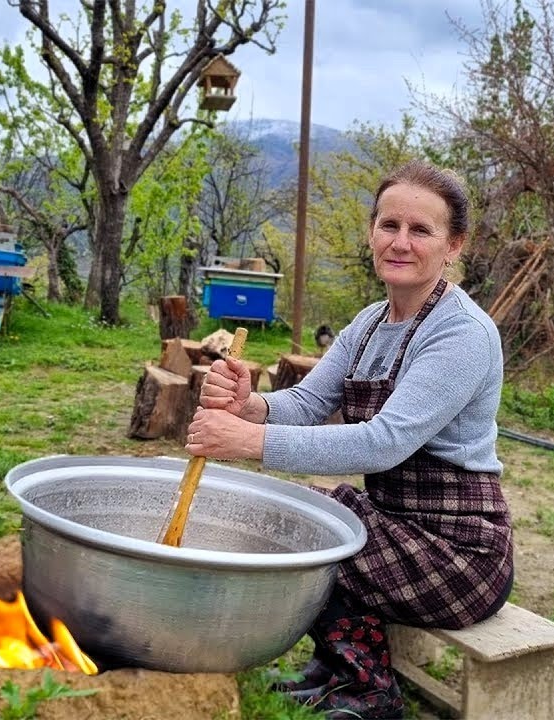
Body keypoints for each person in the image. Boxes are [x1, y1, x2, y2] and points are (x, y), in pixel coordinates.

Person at [186, 160, 513, 719]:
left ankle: (370, 692)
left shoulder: (462, 333)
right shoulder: (367, 325)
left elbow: (384, 443)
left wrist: (248, 440)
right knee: (315, 513)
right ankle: (339, 669)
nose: (401, 242)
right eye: (389, 225)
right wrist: (252, 404)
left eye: (421, 230)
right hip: (396, 528)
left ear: (453, 245)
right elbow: (308, 404)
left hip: (459, 552)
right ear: (372, 232)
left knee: (319, 532)